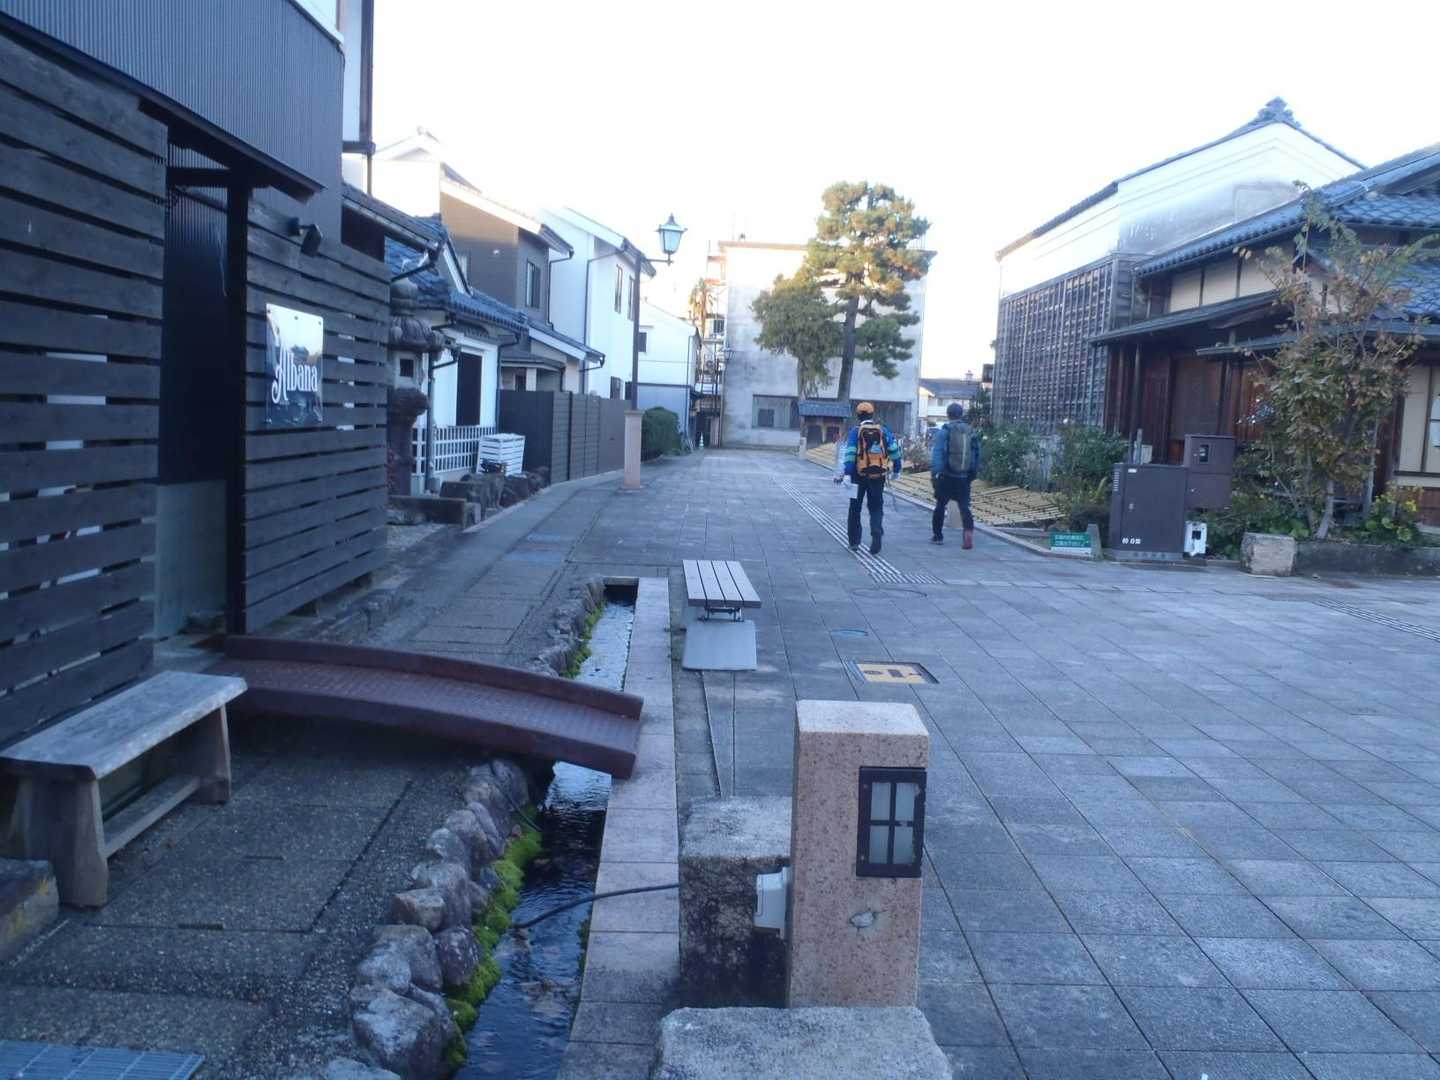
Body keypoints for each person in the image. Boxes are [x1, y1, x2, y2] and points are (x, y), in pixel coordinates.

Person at [841, 402, 902, 554]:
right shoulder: (883, 430)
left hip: (857, 475)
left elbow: (850, 453)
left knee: (855, 508)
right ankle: (876, 533)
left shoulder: (855, 431)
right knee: (876, 507)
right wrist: (896, 469)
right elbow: (894, 451)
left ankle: (854, 542)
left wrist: (847, 473)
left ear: (858, 416)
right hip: (878, 475)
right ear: (872, 414)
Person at [931, 402, 981, 548]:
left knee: (940, 505)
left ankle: (938, 536)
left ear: (948, 414)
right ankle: (968, 533)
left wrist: (935, 473)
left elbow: (937, 453)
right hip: (964, 476)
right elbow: (977, 453)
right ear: (961, 415)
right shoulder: (970, 432)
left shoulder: (944, 432)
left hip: (946, 475)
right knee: (964, 507)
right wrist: (973, 472)